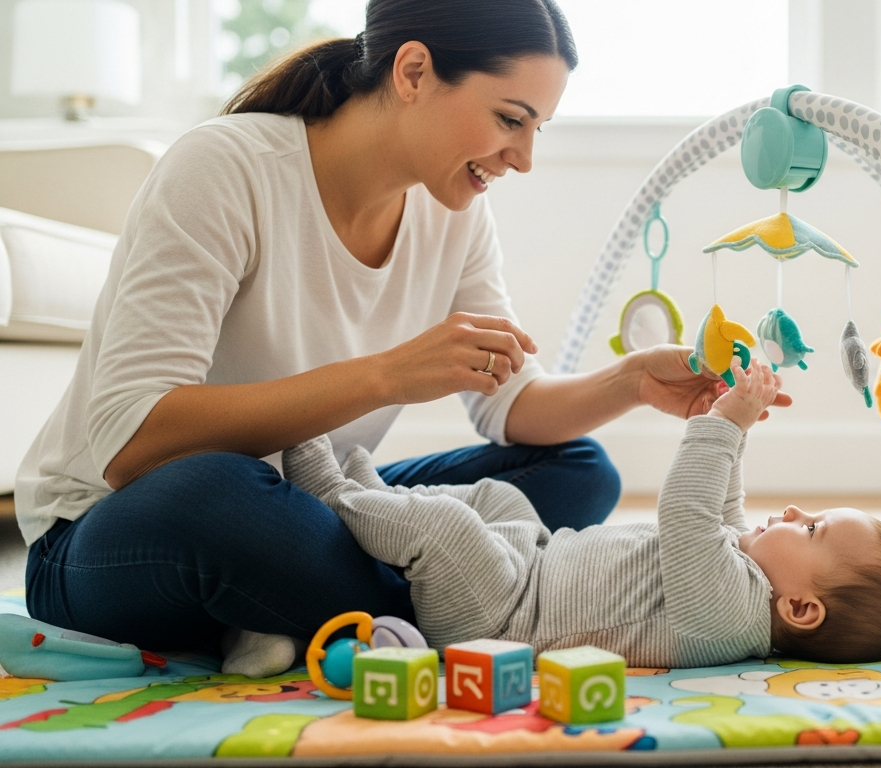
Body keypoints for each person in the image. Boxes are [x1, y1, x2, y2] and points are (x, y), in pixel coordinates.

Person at [16, 0, 787, 675]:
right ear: (413, 71)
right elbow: (133, 441)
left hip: (304, 502)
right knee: (216, 495)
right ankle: (466, 611)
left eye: (537, 128)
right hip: (116, 526)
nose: (524, 157)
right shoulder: (225, 169)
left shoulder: (456, 211)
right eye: (510, 119)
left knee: (577, 470)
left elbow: (512, 404)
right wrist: (386, 375)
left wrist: (628, 383)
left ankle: (335, 604)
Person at [283, 363, 881, 667]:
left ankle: (331, 498)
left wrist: (725, 429)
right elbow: (721, 509)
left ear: (801, 610)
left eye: (811, 528)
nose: (792, 511)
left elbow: (687, 514)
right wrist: (728, 425)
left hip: (500, 619)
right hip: (529, 562)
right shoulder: (745, 572)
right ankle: (380, 501)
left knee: (451, 533)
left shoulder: (731, 619)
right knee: (501, 500)